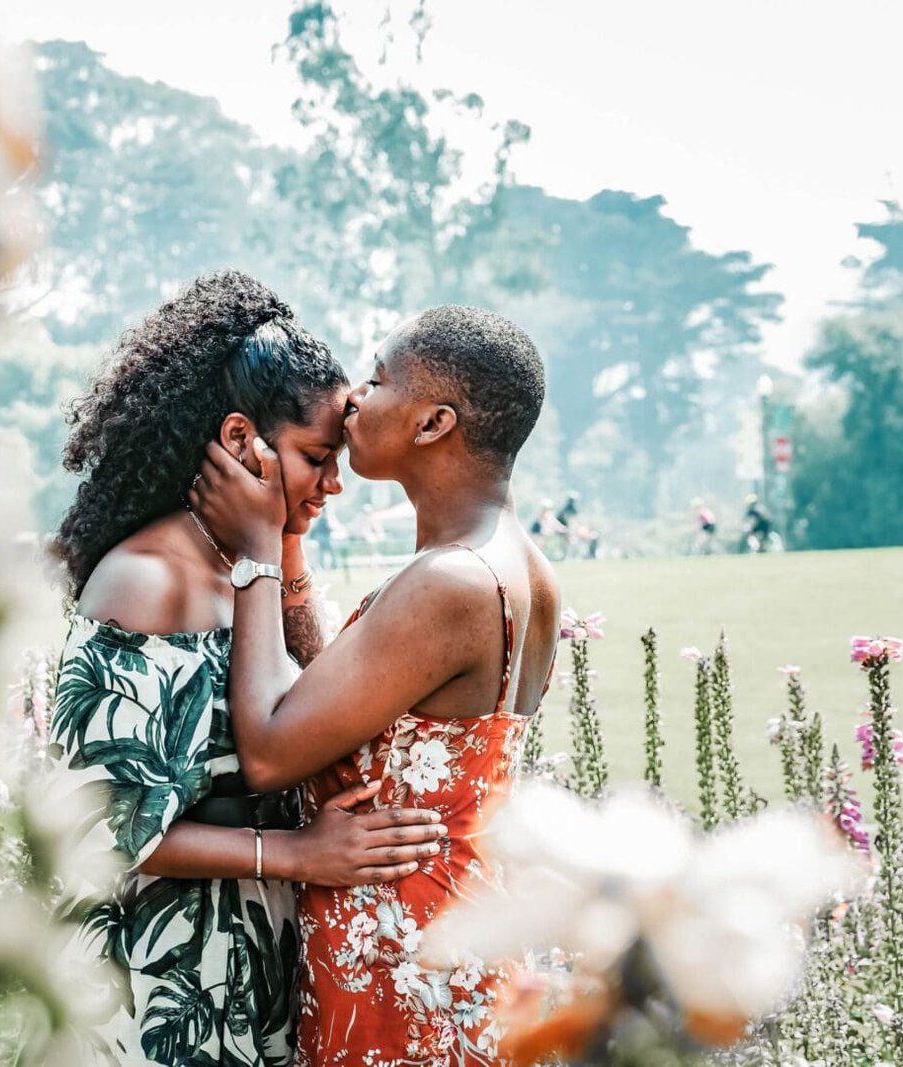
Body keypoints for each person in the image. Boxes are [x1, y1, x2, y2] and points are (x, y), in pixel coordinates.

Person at [49, 273, 447, 1067]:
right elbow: (99, 825)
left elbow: (317, 703)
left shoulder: (245, 571)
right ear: (240, 440)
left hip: (251, 968)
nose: (334, 483)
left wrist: (278, 543)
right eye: (316, 458)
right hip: (158, 982)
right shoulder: (144, 582)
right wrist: (297, 854)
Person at [192, 304, 560, 1066]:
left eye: (379, 378)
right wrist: (290, 540)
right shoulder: (519, 565)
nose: (354, 397)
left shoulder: (452, 581)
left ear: (433, 423)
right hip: (447, 933)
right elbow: (342, 701)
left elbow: (269, 749)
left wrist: (257, 549)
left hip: (403, 965)